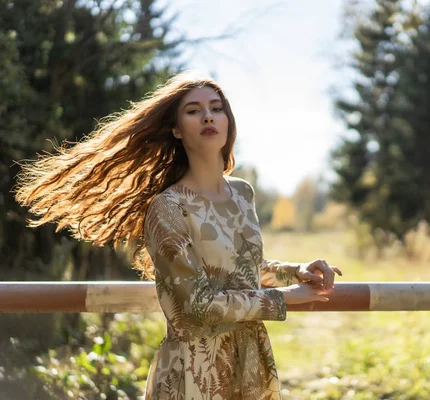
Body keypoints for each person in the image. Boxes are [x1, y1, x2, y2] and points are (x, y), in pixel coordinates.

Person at [14, 72, 342, 399]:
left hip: (251, 361)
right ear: (176, 129)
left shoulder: (243, 194)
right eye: (193, 110)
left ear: (228, 122)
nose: (208, 115)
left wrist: (295, 271)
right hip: (194, 371)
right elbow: (199, 304)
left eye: (216, 108)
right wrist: (287, 298)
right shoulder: (167, 207)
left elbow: (243, 270)